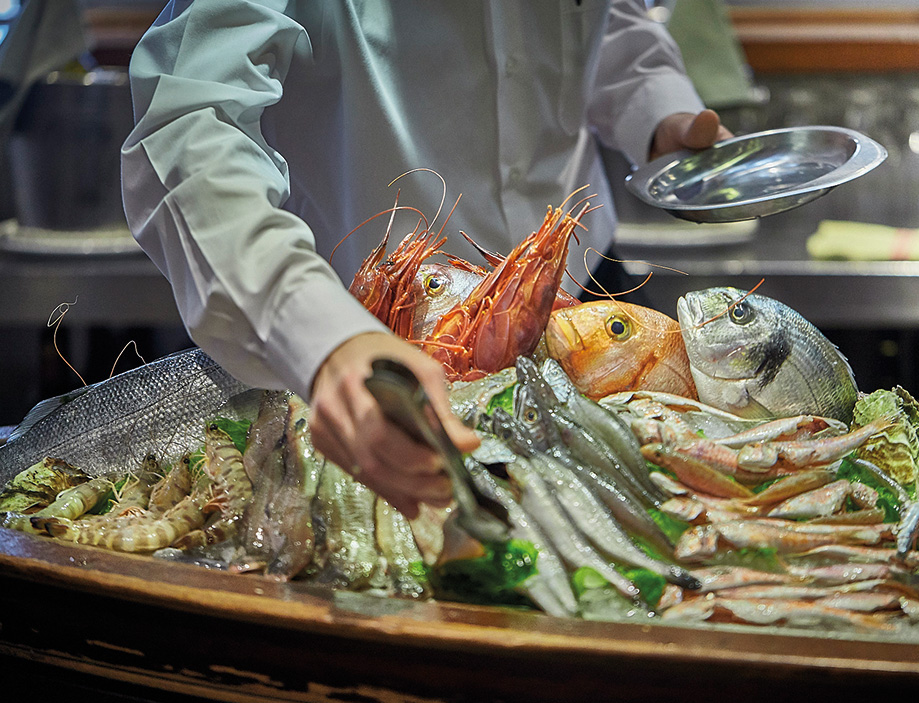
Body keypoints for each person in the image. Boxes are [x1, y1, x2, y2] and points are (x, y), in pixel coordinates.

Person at [121, 0, 730, 519]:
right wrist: (320, 338)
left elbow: (605, 19)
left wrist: (657, 109)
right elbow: (189, 118)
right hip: (368, 342)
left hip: (585, 295)